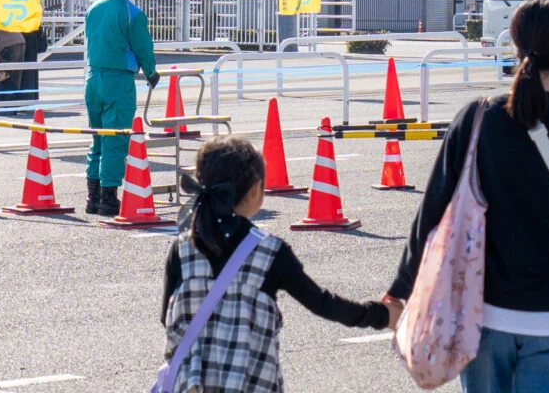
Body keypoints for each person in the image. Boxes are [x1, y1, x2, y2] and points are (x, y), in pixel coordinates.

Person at [391, 0, 549, 392]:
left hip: (485, 317)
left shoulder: (477, 118)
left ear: (517, 50)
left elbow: (432, 211)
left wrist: (402, 285)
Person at [162, 136, 391, 389]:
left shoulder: (182, 249)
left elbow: (167, 318)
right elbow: (323, 303)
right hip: (251, 382)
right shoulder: (270, 253)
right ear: (254, 190)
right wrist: (381, 315)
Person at [85, 0, 159, 217]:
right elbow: (144, 49)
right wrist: (151, 73)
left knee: (97, 139)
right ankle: (108, 198)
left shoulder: (94, 8)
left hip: (92, 79)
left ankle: (92, 197)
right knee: (116, 140)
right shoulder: (132, 12)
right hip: (118, 81)